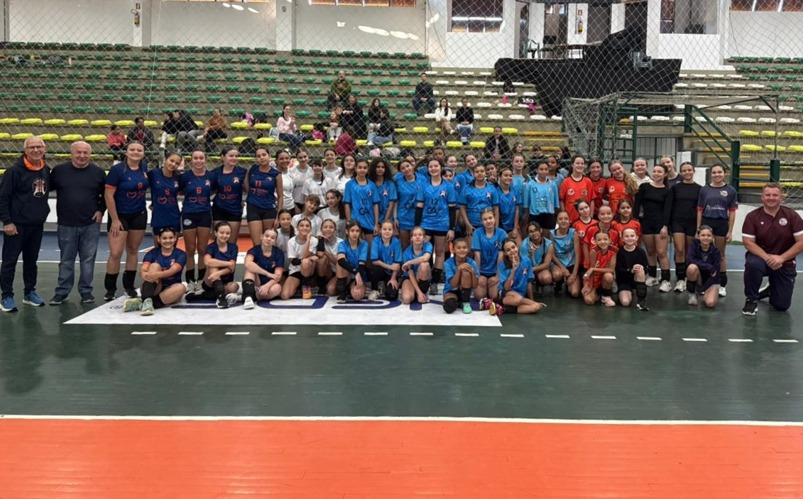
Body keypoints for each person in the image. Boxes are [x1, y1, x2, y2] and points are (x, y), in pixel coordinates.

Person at [48, 141, 106, 305]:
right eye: (78, 152)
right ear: (71, 153)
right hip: (66, 223)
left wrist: (101, 210)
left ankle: (86, 292)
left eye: (85, 153)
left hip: (90, 224)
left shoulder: (98, 172)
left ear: (90, 154)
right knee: (66, 260)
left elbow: (107, 195)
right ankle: (62, 292)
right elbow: (43, 189)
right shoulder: (59, 171)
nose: (82, 155)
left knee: (88, 260)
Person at [0, 136, 50, 312]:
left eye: (39, 147)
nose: (36, 150)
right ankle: (6, 296)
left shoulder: (45, 169)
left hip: (36, 224)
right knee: (10, 261)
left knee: (31, 261)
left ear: (45, 149)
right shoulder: (14, 171)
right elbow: (3, 198)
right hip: (16, 225)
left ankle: (29, 293)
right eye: (31, 147)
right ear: (25, 150)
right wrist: (7, 221)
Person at [742, 183, 803, 316]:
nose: (771, 198)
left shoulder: (792, 215)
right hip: (761, 258)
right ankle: (751, 299)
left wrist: (781, 258)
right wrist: (768, 258)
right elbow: (748, 242)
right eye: (767, 195)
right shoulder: (752, 216)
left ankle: (770, 289)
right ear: (762, 197)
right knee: (753, 264)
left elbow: (801, 241)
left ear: (781, 197)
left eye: (775, 195)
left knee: (781, 306)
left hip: (784, 261)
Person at [104, 141, 149, 302]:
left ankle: (129, 286)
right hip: (120, 215)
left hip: (139, 213)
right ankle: (110, 289)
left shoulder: (144, 167)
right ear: (126, 152)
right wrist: (115, 219)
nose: (135, 152)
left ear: (143, 153)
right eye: (132, 149)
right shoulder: (117, 170)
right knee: (115, 253)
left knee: (133, 250)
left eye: (139, 150)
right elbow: (108, 195)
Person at [123, 227, 186, 316]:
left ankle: (142, 303)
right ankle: (147, 301)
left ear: (175, 238)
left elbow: (172, 271)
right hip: (154, 286)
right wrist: (144, 274)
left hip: (170, 288)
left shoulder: (181, 254)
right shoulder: (152, 253)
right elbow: (143, 269)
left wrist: (157, 274)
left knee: (181, 287)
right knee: (154, 266)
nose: (168, 241)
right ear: (159, 239)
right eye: (164, 238)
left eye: (171, 238)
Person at [416, 159, 456, 295]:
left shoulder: (448, 186)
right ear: (428, 169)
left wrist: (451, 228)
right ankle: (424, 280)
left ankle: (434, 282)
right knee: (425, 252)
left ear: (441, 167)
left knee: (439, 252)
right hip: (426, 223)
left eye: (436, 166)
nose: (433, 168)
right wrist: (417, 226)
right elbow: (419, 207)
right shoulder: (423, 185)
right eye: (430, 166)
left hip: (442, 223)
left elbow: (452, 209)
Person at [697, 164, 738, 297]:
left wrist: (730, 231)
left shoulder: (730, 190)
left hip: (721, 223)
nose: (717, 175)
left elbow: (732, 212)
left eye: (719, 172)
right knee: (704, 253)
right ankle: (705, 283)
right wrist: (698, 229)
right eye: (714, 172)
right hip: (707, 222)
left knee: (720, 254)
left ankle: (721, 284)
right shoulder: (704, 190)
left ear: (724, 173)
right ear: (711, 174)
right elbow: (700, 210)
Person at [179, 150, 217, 295]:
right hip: (189, 213)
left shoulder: (211, 176)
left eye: (201, 158)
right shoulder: (185, 177)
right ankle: (190, 281)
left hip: (205, 213)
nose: (198, 161)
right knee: (190, 249)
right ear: (191, 160)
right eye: (195, 158)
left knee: (202, 249)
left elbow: (213, 191)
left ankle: (201, 280)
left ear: (205, 160)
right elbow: (180, 191)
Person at [633, 163, 671, 292]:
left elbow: (667, 210)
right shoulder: (644, 187)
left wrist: (665, 226)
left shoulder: (668, 191)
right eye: (654, 171)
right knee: (650, 251)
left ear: (665, 174)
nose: (656, 174)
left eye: (659, 172)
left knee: (661, 252)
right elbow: (637, 205)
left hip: (660, 224)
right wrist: (635, 221)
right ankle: (653, 276)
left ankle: (666, 280)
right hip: (646, 222)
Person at [668, 161, 702, 293]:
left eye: (689, 170)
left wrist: (699, 227)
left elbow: (700, 209)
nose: (687, 172)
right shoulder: (675, 188)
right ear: (681, 172)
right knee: (680, 249)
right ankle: (680, 278)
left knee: (689, 251)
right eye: (684, 170)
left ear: (693, 171)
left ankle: (689, 277)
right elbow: (670, 206)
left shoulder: (700, 189)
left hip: (692, 223)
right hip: (677, 222)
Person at [495, 238, 546, 315]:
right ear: (505, 253)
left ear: (517, 247)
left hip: (521, 295)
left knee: (535, 307)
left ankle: (505, 309)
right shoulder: (502, 265)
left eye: (513, 247)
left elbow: (529, 282)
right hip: (507, 294)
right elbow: (506, 288)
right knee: (518, 299)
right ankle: (500, 302)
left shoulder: (526, 261)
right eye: (508, 250)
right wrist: (513, 270)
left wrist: (532, 300)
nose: (512, 251)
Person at [245, 147, 282, 247]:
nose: (262, 157)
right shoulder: (252, 170)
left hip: (269, 208)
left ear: (269, 156)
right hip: (253, 207)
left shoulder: (276, 174)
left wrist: (278, 216)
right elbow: (247, 187)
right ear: (256, 159)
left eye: (264, 155)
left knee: (268, 243)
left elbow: (280, 197)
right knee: (257, 244)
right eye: (258, 156)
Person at [242, 228, 285, 310]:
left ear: (275, 241)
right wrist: (267, 274)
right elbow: (248, 264)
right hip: (256, 281)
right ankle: (248, 296)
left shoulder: (278, 253)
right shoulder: (254, 250)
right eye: (267, 236)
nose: (269, 239)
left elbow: (278, 275)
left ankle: (254, 296)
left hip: (269, 283)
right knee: (250, 270)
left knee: (277, 288)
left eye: (272, 238)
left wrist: (267, 286)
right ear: (261, 236)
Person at [148, 152, 182, 248]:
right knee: (158, 249)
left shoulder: (178, 177)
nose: (173, 164)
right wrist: (152, 203)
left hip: (174, 216)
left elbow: (183, 191)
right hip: (158, 216)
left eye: (177, 163)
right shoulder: (153, 174)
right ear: (165, 160)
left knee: (172, 248)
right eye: (171, 160)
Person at [212, 146, 246, 241]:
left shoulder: (242, 172)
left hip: (235, 209)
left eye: (236, 156)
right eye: (231, 156)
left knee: (231, 241)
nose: (234, 158)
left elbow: (248, 189)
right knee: (218, 240)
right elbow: (211, 190)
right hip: (219, 208)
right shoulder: (215, 172)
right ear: (223, 157)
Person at [472, 208, 506, 302]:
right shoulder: (477, 233)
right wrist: (478, 276)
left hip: (495, 271)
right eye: (485, 219)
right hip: (482, 271)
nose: (488, 221)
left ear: (494, 218)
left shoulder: (502, 233)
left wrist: (497, 276)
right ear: (481, 221)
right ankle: (484, 286)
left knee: (494, 296)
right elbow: (477, 256)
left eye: (490, 218)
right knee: (479, 296)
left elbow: (501, 257)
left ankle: (491, 287)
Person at [281, 217, 319, 300]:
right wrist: (309, 257)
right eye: (302, 226)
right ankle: (298, 286)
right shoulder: (291, 241)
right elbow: (294, 261)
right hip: (296, 270)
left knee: (305, 262)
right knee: (285, 295)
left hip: (309, 270)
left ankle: (306, 285)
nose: (304, 228)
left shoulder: (314, 240)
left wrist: (308, 240)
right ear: (297, 228)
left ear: (310, 229)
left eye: (307, 226)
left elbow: (304, 255)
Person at [459, 162, 499, 239]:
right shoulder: (466, 188)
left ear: (485, 173)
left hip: (488, 224)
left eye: (482, 171)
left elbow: (496, 208)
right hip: (472, 224)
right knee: (472, 245)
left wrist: (496, 227)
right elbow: (462, 207)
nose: (479, 173)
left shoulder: (492, 188)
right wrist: (467, 225)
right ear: (473, 174)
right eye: (477, 172)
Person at [686, 225, 721, 309]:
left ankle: (706, 292)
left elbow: (715, 274)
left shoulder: (716, 251)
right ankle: (692, 293)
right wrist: (708, 266)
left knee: (710, 303)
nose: (706, 238)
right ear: (698, 236)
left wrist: (704, 288)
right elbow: (690, 259)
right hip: (698, 277)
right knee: (691, 268)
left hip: (711, 280)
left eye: (708, 235)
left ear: (712, 237)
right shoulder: (693, 245)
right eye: (703, 235)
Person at [344, 158, 378, 245]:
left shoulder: (372, 185)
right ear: (355, 168)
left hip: (369, 221)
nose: (362, 170)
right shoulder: (350, 184)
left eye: (365, 168)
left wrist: (376, 223)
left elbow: (375, 204)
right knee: (356, 246)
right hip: (355, 220)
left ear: (368, 169)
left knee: (370, 248)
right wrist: (349, 220)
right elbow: (347, 204)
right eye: (360, 167)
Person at [615, 227, 649, 311]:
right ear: (622, 238)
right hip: (624, 280)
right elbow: (618, 270)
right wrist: (631, 270)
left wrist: (641, 268)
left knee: (640, 270)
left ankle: (641, 300)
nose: (629, 238)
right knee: (625, 303)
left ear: (636, 237)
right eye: (626, 236)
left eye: (632, 236)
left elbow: (646, 268)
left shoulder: (641, 251)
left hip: (636, 279)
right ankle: (625, 292)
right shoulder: (619, 252)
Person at [443, 238, 479, 314]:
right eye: (458, 248)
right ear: (453, 250)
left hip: (465, 290)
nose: (462, 250)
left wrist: (472, 273)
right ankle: (458, 302)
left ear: (468, 249)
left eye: (464, 247)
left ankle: (466, 302)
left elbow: (475, 286)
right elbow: (453, 284)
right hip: (451, 290)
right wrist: (459, 269)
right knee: (449, 307)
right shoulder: (448, 263)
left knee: (466, 272)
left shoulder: (472, 263)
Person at [336, 220, 368, 303]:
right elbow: (341, 261)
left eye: (357, 231)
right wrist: (355, 272)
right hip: (347, 274)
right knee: (330, 290)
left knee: (358, 296)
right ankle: (342, 292)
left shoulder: (364, 244)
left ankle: (351, 288)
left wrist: (358, 280)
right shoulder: (342, 244)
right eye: (352, 231)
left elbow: (362, 265)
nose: (355, 233)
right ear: (347, 231)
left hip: (359, 274)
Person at [522, 159, 559, 233]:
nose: (543, 171)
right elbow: (526, 205)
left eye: (546, 169)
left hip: (549, 215)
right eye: (541, 169)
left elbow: (556, 204)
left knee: (548, 236)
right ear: (536, 170)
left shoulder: (553, 184)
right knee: (535, 235)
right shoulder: (530, 185)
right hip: (535, 216)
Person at [369, 220, 402, 301]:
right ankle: (375, 289)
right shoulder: (376, 241)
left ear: (393, 231)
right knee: (374, 268)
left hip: (391, 273)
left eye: (389, 229)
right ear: (380, 230)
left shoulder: (396, 242)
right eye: (384, 229)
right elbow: (374, 260)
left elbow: (397, 264)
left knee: (392, 296)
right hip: (380, 269)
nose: (387, 231)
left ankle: (385, 286)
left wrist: (393, 278)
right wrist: (390, 267)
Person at [582, 230, 617, 307]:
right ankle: (595, 292)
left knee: (609, 276)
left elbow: (611, 269)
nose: (603, 242)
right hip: (594, 278)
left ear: (610, 240)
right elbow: (591, 272)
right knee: (589, 301)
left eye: (605, 239)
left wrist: (593, 269)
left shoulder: (613, 251)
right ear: (595, 241)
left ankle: (605, 296)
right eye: (599, 240)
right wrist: (590, 287)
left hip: (604, 277)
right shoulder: (594, 251)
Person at [550, 210, 581, 298]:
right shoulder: (552, 233)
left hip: (571, 264)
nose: (563, 221)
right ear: (557, 221)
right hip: (558, 264)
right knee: (557, 275)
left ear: (569, 220)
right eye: (560, 219)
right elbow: (552, 254)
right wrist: (562, 268)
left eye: (566, 219)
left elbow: (578, 254)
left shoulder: (573, 233)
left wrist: (574, 274)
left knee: (575, 293)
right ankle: (558, 284)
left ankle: (568, 284)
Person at [520, 221, 554, 297]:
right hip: (528, 268)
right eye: (531, 231)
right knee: (526, 291)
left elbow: (546, 264)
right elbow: (524, 263)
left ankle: (539, 284)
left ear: (541, 230)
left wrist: (533, 269)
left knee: (547, 278)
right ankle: (532, 284)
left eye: (536, 230)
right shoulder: (524, 245)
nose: (534, 233)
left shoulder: (548, 244)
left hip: (541, 268)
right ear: (528, 234)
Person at [400, 226, 433, 305]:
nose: (417, 237)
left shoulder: (428, 245)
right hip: (410, 278)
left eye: (420, 235)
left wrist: (409, 262)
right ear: (411, 238)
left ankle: (422, 291)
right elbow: (410, 274)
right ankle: (416, 292)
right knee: (406, 299)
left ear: (424, 238)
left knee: (424, 264)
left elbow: (425, 258)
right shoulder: (406, 253)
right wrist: (419, 293)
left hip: (421, 277)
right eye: (415, 235)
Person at [394, 159, 422, 249]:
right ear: (400, 171)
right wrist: (395, 217)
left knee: (417, 246)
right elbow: (395, 200)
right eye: (403, 168)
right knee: (404, 245)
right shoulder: (398, 181)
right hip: (403, 217)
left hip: (418, 217)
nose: (406, 169)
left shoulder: (422, 179)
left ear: (412, 166)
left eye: (407, 166)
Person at [559, 154, 595, 223]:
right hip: (570, 218)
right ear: (572, 165)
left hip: (585, 219)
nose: (580, 165)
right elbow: (562, 200)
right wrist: (564, 216)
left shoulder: (588, 181)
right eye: (577, 163)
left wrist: (591, 216)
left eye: (582, 163)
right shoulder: (566, 181)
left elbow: (592, 200)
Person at [316, 218, 343, 296]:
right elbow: (320, 254)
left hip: (339, 271)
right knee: (322, 259)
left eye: (331, 227)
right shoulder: (319, 241)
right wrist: (321, 241)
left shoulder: (340, 242)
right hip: (328, 271)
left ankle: (343, 286)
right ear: (321, 229)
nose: (328, 229)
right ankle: (322, 285)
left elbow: (339, 263)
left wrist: (325, 252)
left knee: (331, 291)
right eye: (325, 227)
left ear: (335, 230)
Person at [369, 158, 397, 233]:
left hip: (386, 218)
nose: (380, 169)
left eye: (383, 167)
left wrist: (384, 222)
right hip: (371, 219)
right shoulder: (369, 184)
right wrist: (376, 223)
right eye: (378, 167)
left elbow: (391, 205)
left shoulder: (390, 184)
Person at [496, 167, 521, 241]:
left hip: (512, 227)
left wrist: (515, 228)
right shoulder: (495, 192)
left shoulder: (515, 190)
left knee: (519, 245)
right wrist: (496, 230)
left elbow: (517, 210)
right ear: (500, 177)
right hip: (500, 226)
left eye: (510, 176)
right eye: (505, 175)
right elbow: (496, 212)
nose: (508, 177)